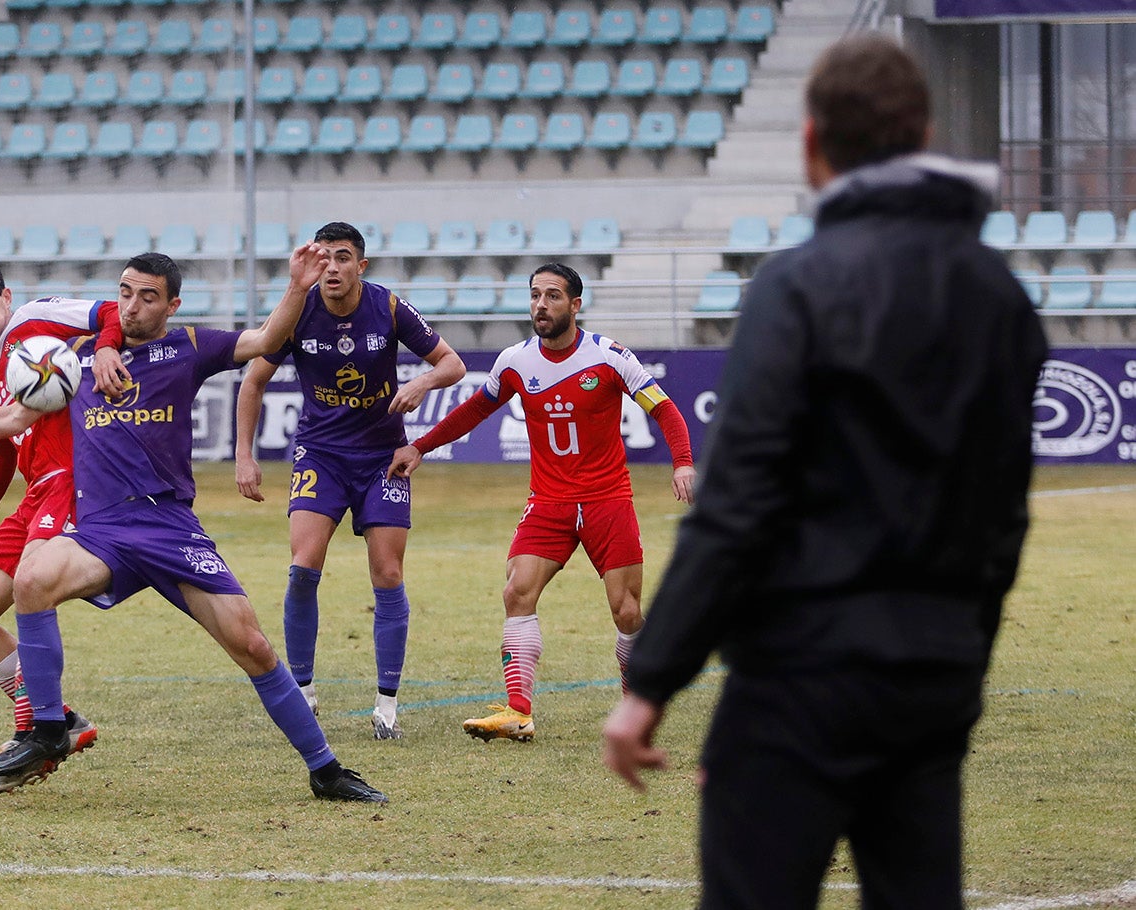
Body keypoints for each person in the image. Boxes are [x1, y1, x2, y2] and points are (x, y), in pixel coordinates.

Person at [601, 35, 1047, 909]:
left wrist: (652, 681)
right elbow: (1004, 519)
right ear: (923, 131)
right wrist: (961, 660)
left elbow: (738, 506)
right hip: (930, 681)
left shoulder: (795, 287)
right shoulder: (1000, 298)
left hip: (795, 684)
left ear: (811, 146)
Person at [0, 249, 387, 803]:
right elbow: (15, 418)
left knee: (251, 644)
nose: (131, 305)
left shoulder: (190, 347)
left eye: (147, 295)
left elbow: (265, 341)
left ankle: (325, 770)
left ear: (172, 304)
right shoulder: (73, 359)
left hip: (169, 528)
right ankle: (49, 729)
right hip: (102, 530)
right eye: (125, 292)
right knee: (32, 576)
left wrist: (297, 288)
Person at [387, 262, 696, 743]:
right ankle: (518, 711)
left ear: (575, 305)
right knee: (517, 592)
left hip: (607, 500)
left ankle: (638, 710)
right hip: (549, 502)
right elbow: (474, 410)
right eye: (535, 295)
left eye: (553, 296)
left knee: (627, 611)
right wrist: (419, 447)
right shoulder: (515, 361)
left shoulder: (609, 356)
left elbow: (665, 409)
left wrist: (682, 462)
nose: (541, 305)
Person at [233, 221, 466, 740]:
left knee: (387, 573)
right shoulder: (298, 312)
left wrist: (422, 381)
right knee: (302, 567)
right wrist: (244, 455)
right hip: (321, 455)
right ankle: (304, 692)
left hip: (383, 457)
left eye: (343, 258)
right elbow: (253, 382)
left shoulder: (387, 307)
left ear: (361, 266)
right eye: (324, 258)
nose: (332, 268)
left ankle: (386, 706)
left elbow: (453, 363)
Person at [0, 257, 129, 795]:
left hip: (74, 482)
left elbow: (109, 309)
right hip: (32, 497)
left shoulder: (34, 322)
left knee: (31, 588)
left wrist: (108, 345)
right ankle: (62, 720)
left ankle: (37, 731)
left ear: (7, 297)